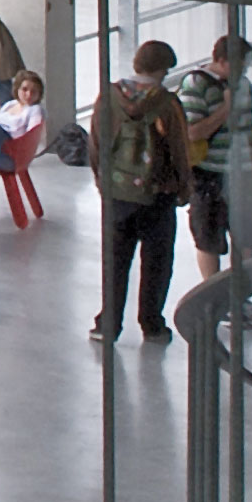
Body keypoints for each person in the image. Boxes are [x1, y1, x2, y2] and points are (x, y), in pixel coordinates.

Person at [87, 38, 194, 345]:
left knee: (116, 261)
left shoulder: (107, 98)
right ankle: (152, 324)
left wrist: (102, 181)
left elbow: (96, 143)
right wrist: (184, 187)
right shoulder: (167, 103)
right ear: (163, 68)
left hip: (118, 193)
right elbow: (179, 148)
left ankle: (107, 325)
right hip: (157, 194)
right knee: (157, 262)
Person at [173, 33, 252, 285]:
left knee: (246, 234)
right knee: (209, 235)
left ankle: (241, 293)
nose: (244, 71)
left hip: (244, 172)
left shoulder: (243, 85)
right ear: (221, 61)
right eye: (240, 64)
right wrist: (225, 110)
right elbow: (192, 132)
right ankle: (213, 293)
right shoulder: (195, 85)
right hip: (209, 174)